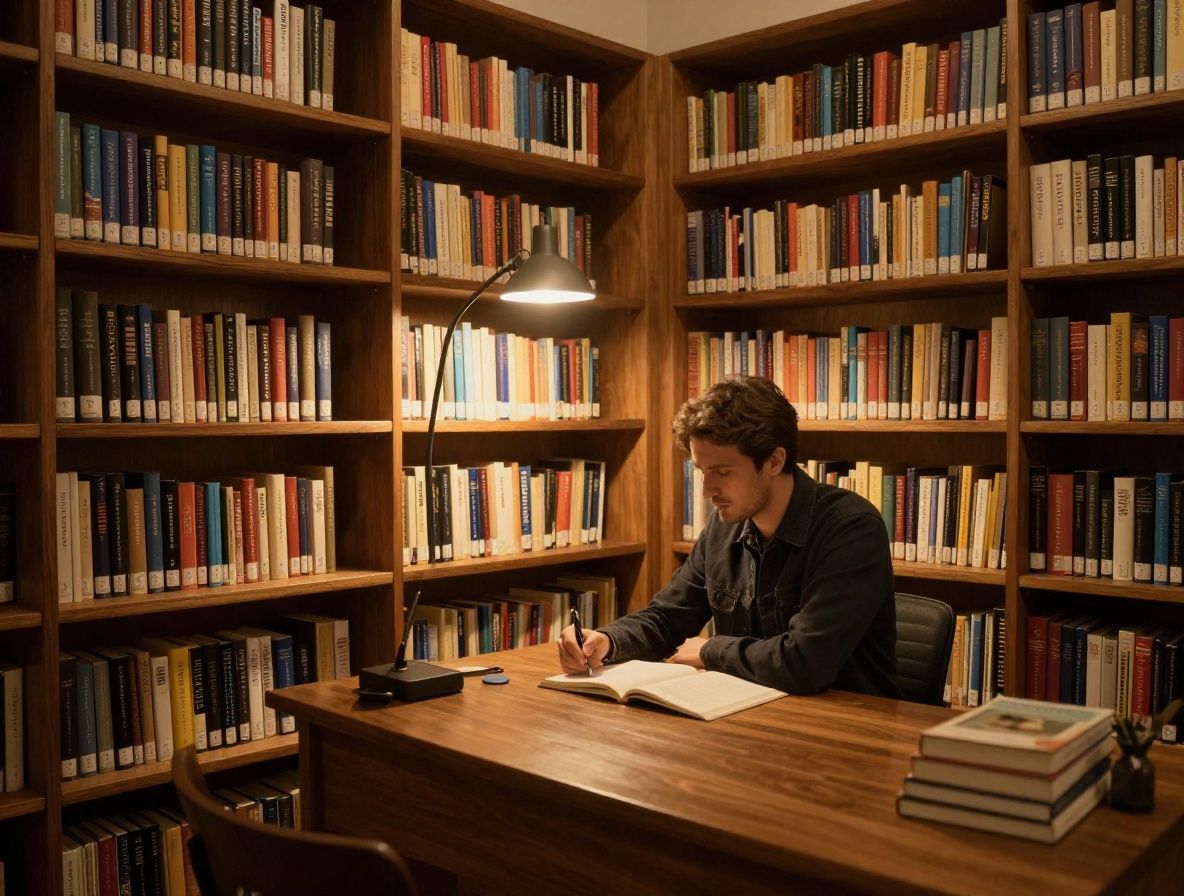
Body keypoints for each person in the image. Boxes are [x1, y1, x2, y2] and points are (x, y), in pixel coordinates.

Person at [558, 376, 899, 697]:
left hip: (845, 731)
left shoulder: (850, 529)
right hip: (748, 716)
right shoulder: (725, 527)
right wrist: (606, 640)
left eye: (722, 472)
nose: (707, 491)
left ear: (774, 460)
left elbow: (806, 663)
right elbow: (667, 618)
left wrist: (710, 649)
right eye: (702, 472)